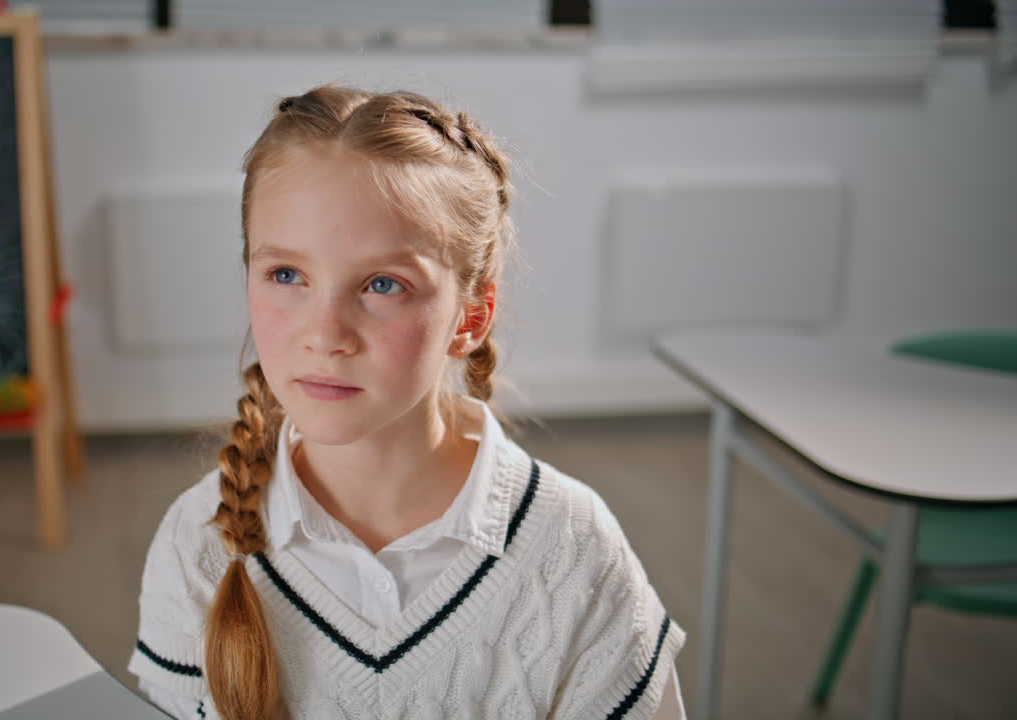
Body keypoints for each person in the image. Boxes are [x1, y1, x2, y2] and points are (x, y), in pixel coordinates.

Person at [128, 84, 687, 720]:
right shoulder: (196, 543)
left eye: (383, 284)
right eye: (287, 275)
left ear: (470, 318)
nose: (324, 335)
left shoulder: (572, 550)